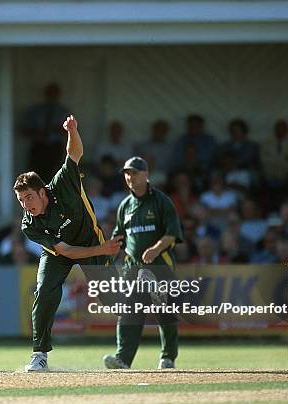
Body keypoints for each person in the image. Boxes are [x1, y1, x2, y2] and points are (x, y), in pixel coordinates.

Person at [13, 115, 123, 372]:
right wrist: (102, 249)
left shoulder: (62, 184)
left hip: (89, 239)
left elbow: (74, 154)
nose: (26, 205)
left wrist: (72, 131)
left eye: (29, 197)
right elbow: (64, 251)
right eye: (20, 200)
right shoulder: (30, 224)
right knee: (45, 291)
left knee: (112, 300)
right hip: (62, 251)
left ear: (42, 192)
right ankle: (39, 354)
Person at [103, 156, 183, 369]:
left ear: (146, 175)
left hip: (160, 266)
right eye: (127, 173)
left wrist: (156, 248)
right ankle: (123, 359)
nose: (130, 177)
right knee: (129, 312)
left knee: (164, 312)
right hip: (133, 268)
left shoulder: (161, 201)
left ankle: (168, 357)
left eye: (134, 173)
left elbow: (173, 233)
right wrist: (107, 256)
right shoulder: (125, 205)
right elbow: (119, 238)